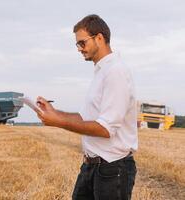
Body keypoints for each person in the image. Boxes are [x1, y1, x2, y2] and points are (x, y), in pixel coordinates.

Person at [36, 14, 138, 200]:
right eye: (77, 44)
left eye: (82, 43)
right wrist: (54, 113)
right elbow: (85, 118)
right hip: (91, 166)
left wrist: (58, 122)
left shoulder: (116, 72)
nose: (79, 49)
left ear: (99, 38)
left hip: (112, 168)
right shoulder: (101, 71)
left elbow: (106, 129)